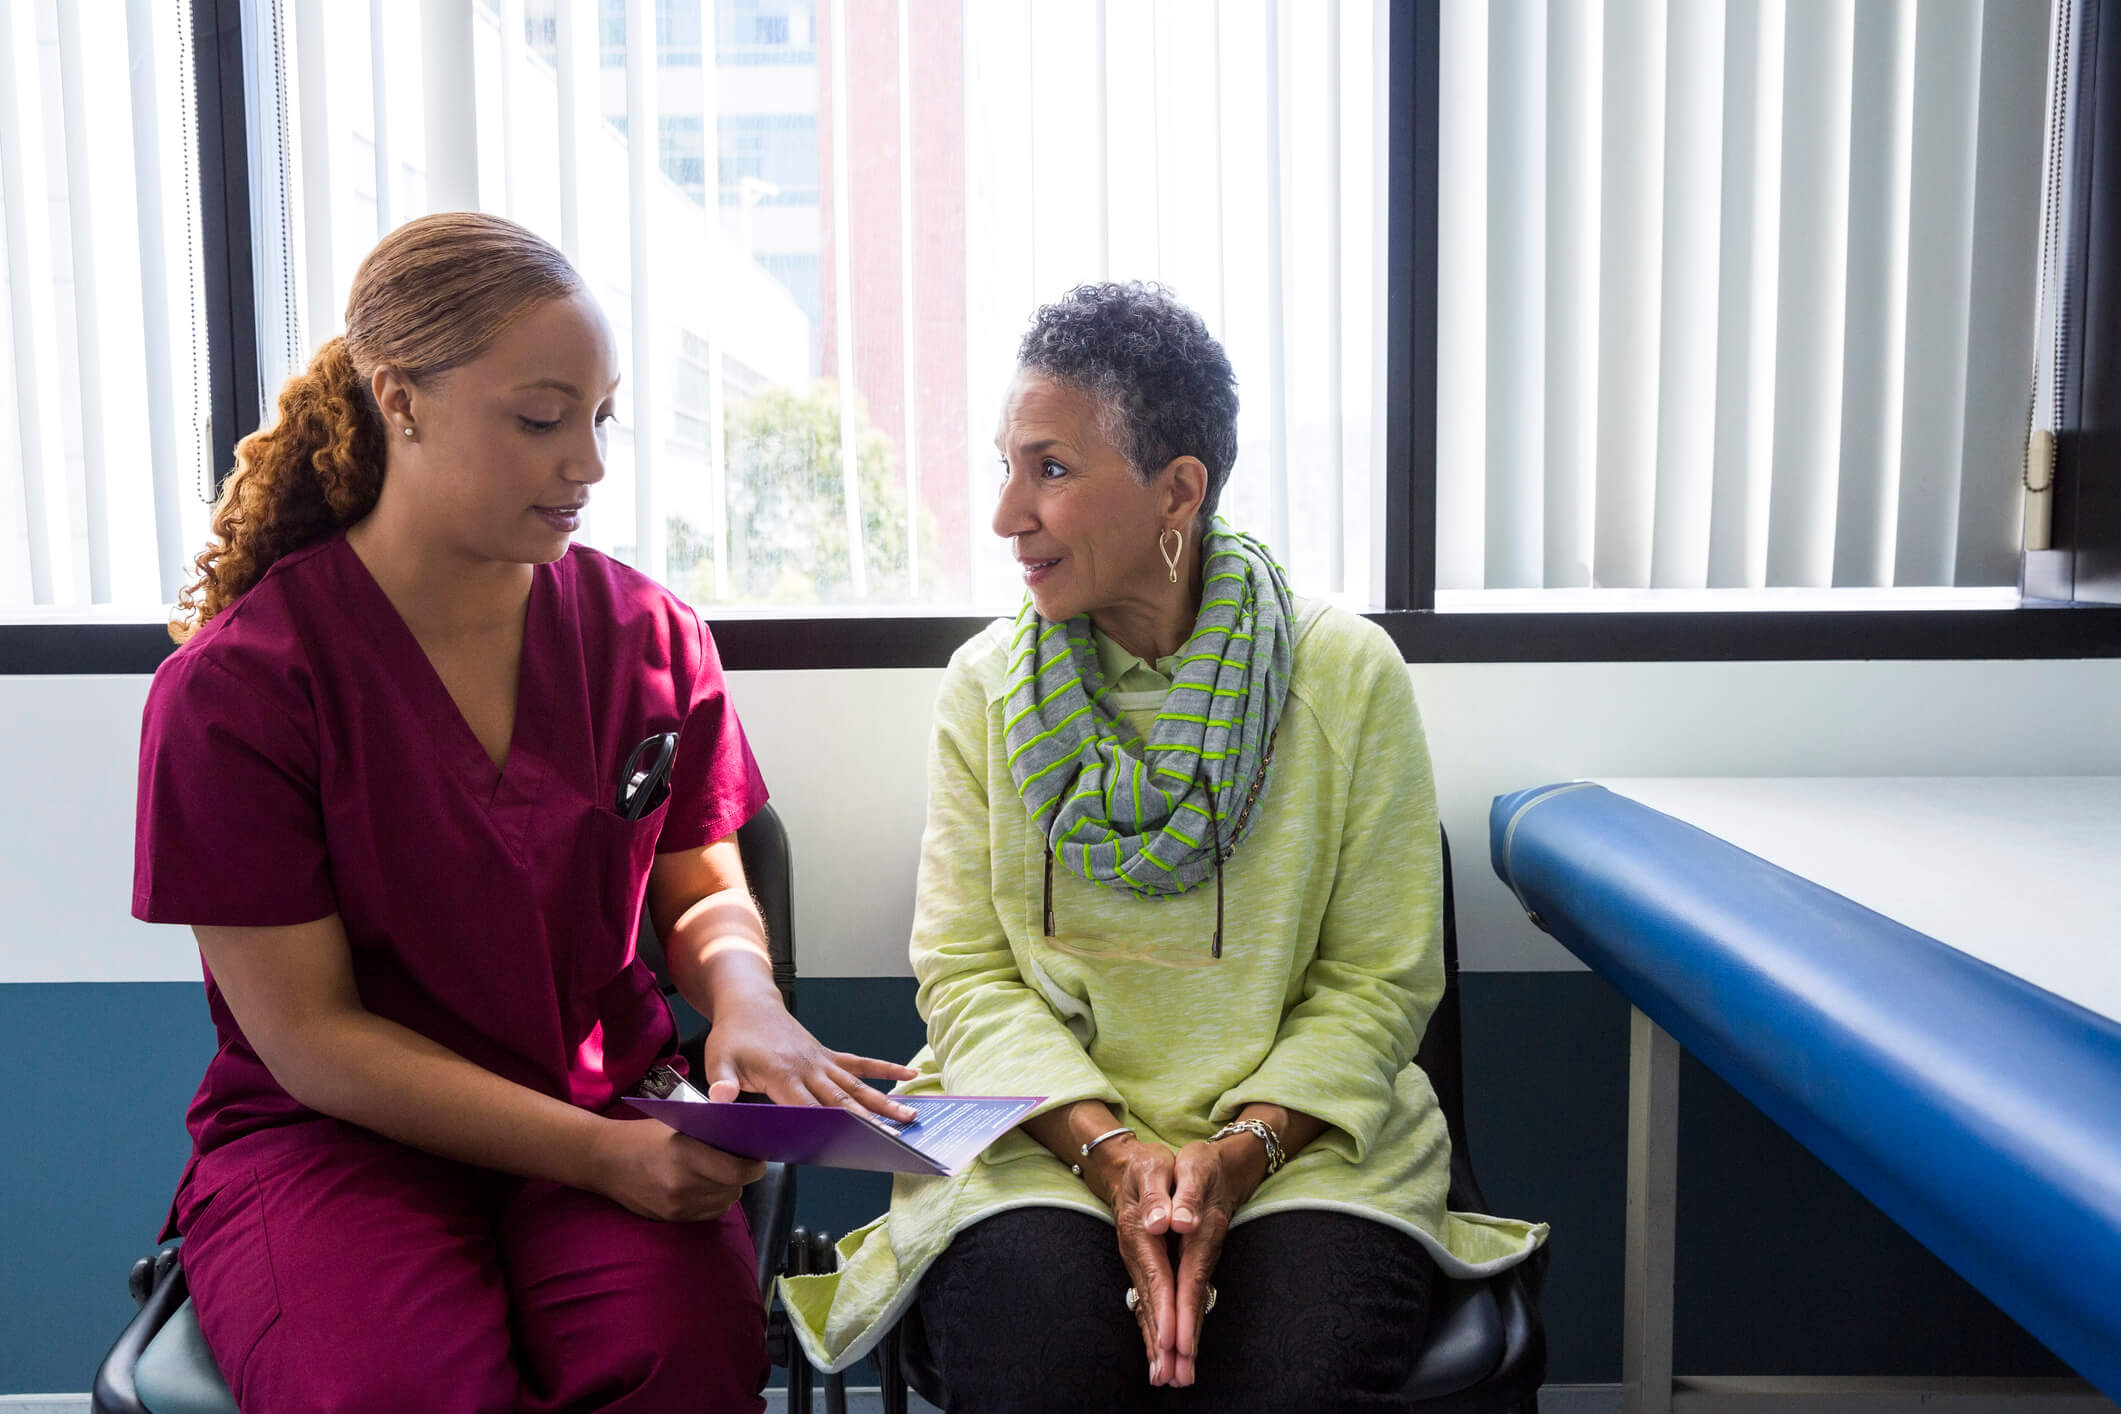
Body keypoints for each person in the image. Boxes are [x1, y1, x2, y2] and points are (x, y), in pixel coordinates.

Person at [133, 211, 915, 1414]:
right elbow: (311, 1039)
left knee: (678, 1367)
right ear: (400, 400)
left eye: (603, 419)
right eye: (542, 419)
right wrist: (602, 1154)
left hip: (608, 1098)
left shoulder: (646, 637)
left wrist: (748, 1001)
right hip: (339, 1141)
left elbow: (704, 878)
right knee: (398, 1393)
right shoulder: (240, 691)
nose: (589, 466)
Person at [781, 282, 1546, 1410]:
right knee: (1040, 1364)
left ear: (1175, 491)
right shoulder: (983, 688)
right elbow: (968, 975)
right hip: (1032, 1143)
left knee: (1289, 1373)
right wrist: (1111, 1152)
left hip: (1303, 1153)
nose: (1005, 514)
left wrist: (1238, 1153)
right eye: (1005, 464)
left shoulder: (1344, 675)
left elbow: (1379, 981)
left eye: (1048, 468)